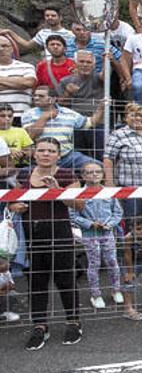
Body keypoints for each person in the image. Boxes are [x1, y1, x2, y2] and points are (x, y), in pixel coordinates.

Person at [8, 138, 84, 350]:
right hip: (32, 233)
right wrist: (16, 205)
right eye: (41, 150)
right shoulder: (23, 175)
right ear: (34, 154)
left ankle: (73, 322)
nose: (45, 154)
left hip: (59, 232)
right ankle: (40, 326)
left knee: (65, 279)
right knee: (37, 282)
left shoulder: (67, 175)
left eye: (51, 151)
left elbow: (79, 205)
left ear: (58, 155)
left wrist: (58, 191)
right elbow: (12, 200)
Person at [69, 161, 124, 311]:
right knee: (94, 263)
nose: (94, 175)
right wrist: (90, 224)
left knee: (112, 261)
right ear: (83, 175)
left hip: (107, 232)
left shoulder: (108, 192)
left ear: (102, 174)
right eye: (90, 172)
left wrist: (110, 224)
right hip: (90, 234)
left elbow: (118, 212)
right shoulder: (78, 194)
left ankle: (116, 289)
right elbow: (73, 215)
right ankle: (96, 294)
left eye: (98, 172)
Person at [22, 85, 103, 170]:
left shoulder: (68, 113)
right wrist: (44, 117)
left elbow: (91, 123)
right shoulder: (29, 114)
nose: (36, 98)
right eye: (35, 96)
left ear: (53, 99)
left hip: (67, 157)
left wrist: (101, 108)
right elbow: (30, 136)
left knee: (98, 167)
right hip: (42, 158)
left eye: (41, 96)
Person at [59, 51, 107, 161]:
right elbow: (60, 105)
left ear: (94, 65)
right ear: (74, 63)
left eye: (89, 62)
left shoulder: (98, 78)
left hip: (98, 123)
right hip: (75, 124)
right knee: (79, 157)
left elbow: (105, 75)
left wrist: (106, 62)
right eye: (81, 61)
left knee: (100, 155)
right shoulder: (66, 81)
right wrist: (68, 93)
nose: (85, 65)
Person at [0, 8, 75, 60]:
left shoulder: (70, 34)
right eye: (47, 16)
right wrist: (10, 32)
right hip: (49, 66)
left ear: (60, 18)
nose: (50, 17)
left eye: (53, 15)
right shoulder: (43, 33)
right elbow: (27, 45)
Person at [0, 36, 37, 125]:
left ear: (12, 48)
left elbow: (28, 83)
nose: (1, 49)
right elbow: (23, 83)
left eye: (4, 46)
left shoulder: (27, 66)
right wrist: (18, 83)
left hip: (22, 115)